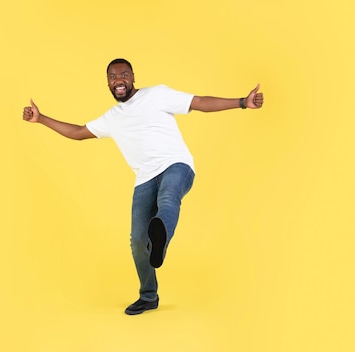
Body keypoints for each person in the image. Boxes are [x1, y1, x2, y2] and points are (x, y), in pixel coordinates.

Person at [23, 58, 264, 315]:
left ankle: (160, 241)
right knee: (138, 241)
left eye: (124, 75)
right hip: (144, 180)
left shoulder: (157, 94)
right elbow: (78, 132)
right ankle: (148, 296)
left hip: (176, 166)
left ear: (133, 76)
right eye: (113, 77)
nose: (119, 80)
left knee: (169, 200)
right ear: (108, 82)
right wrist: (40, 119)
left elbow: (200, 102)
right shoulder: (112, 118)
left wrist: (242, 102)